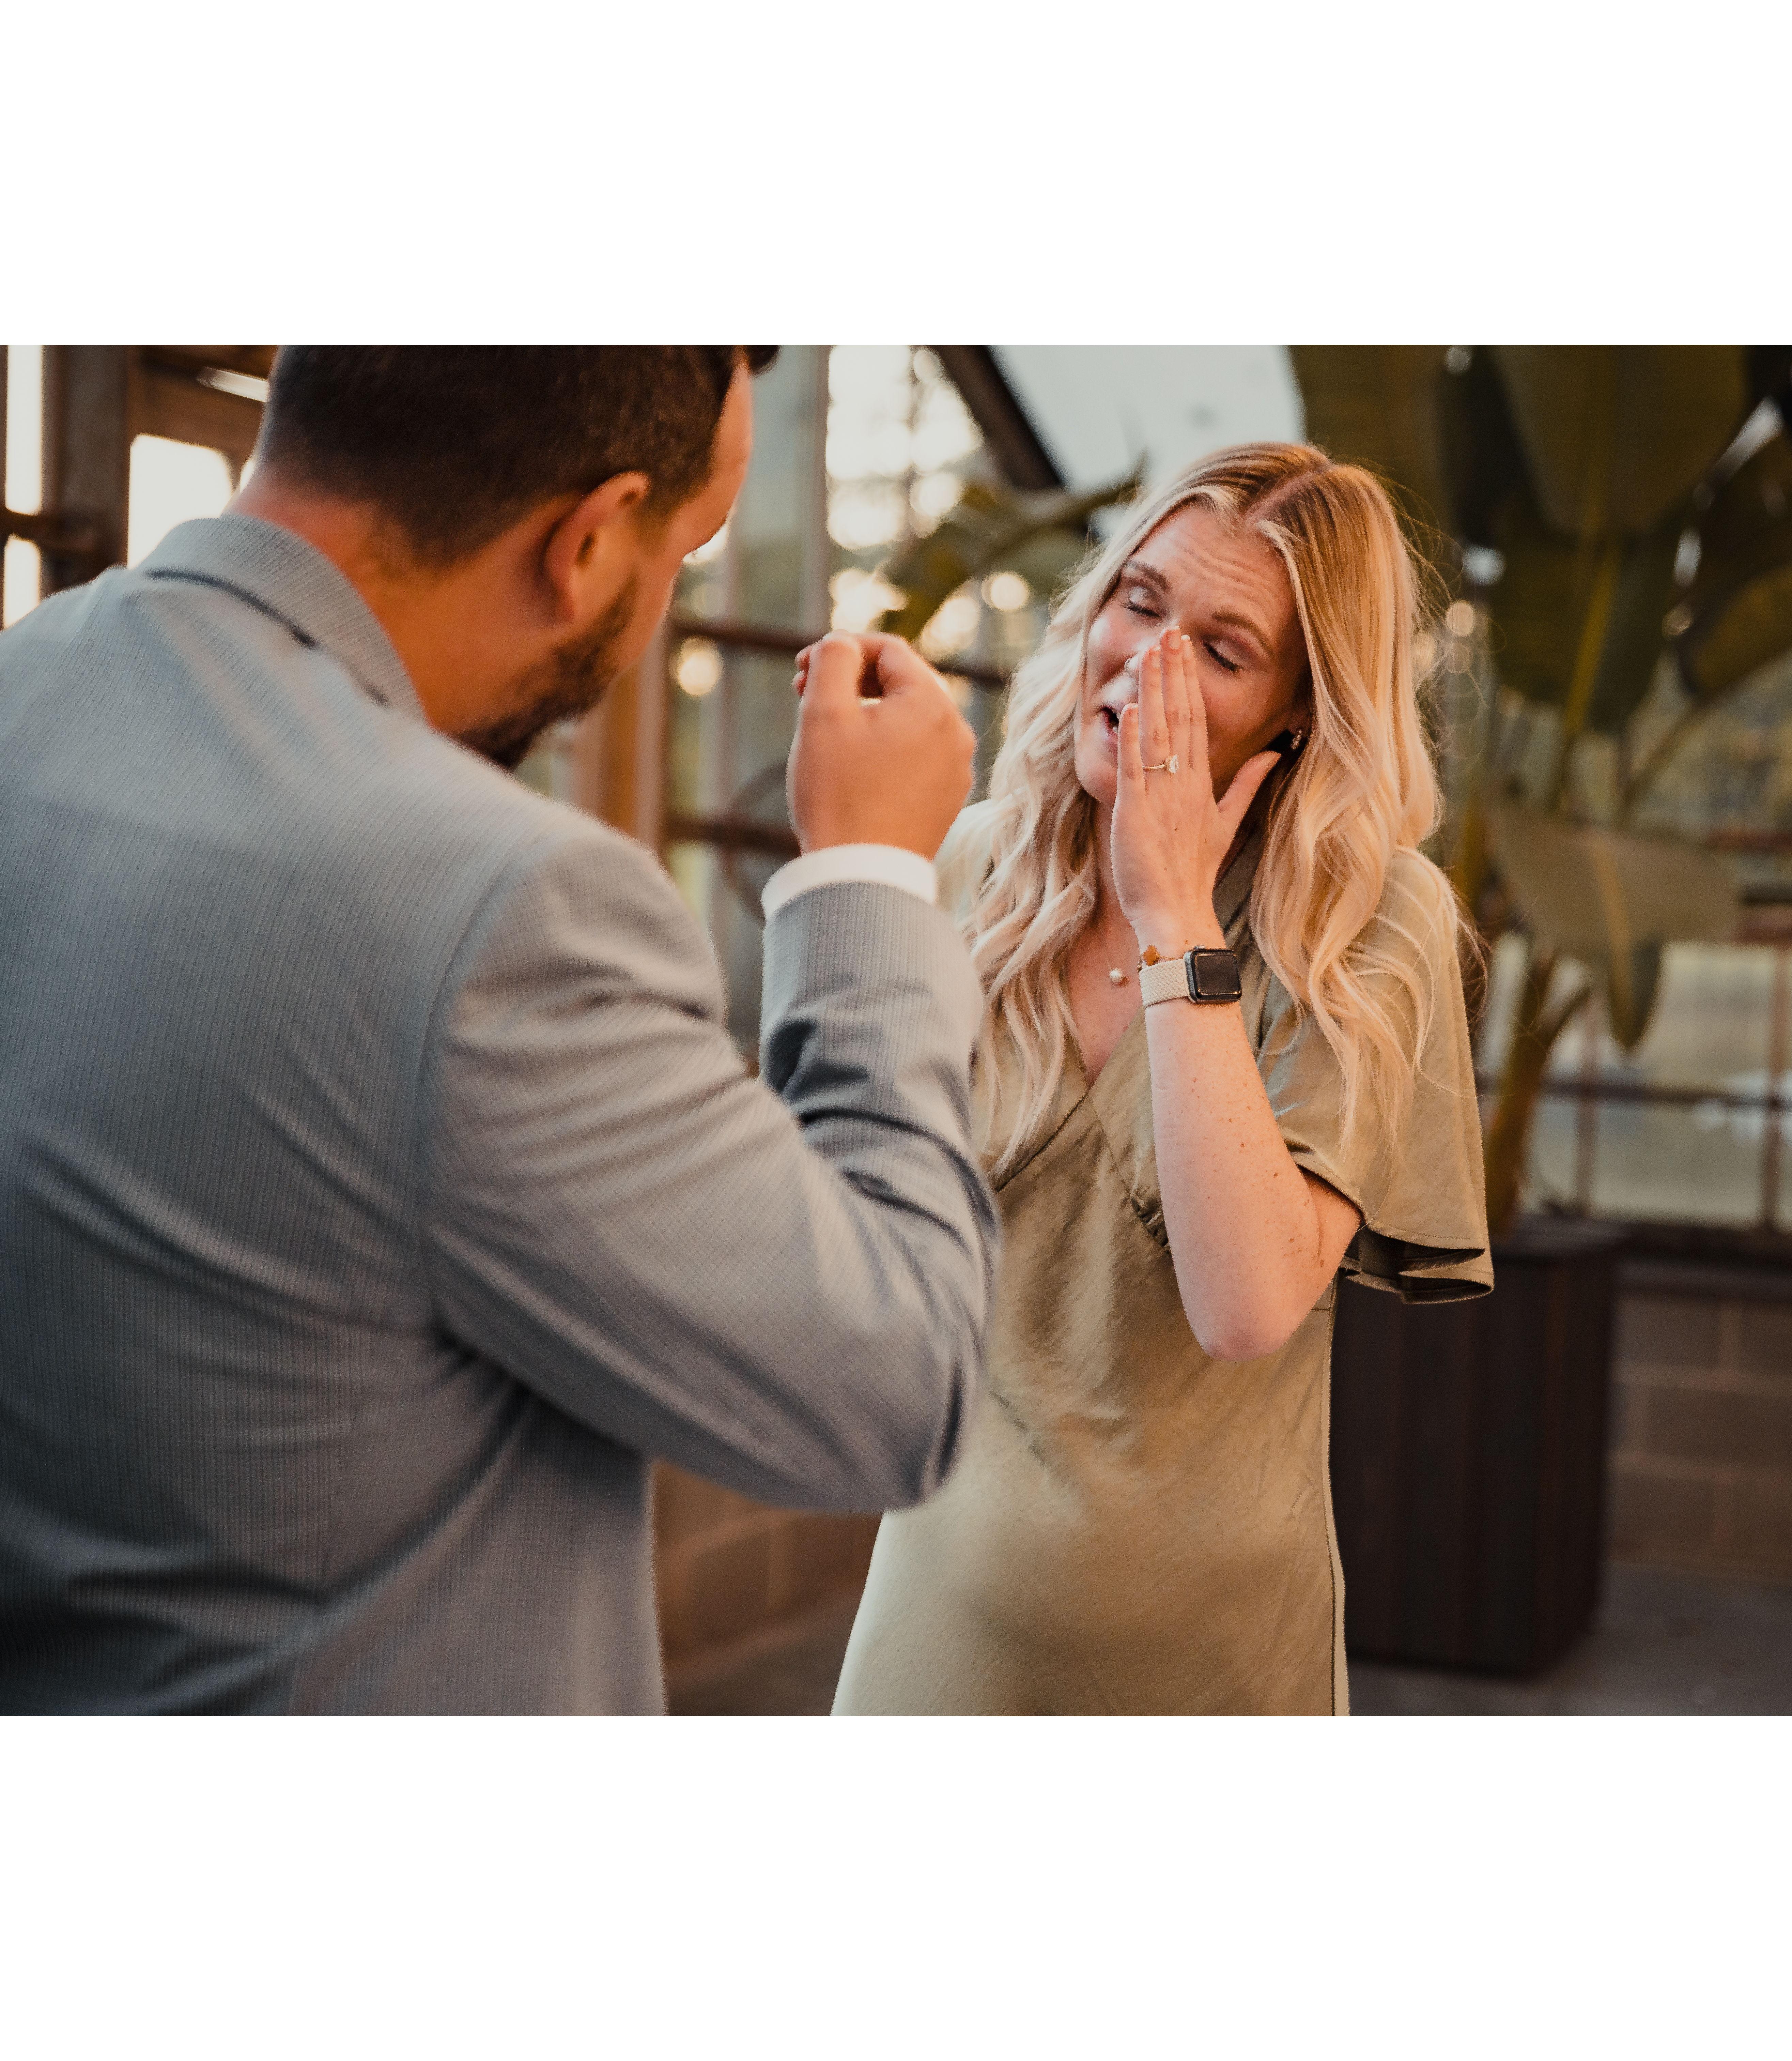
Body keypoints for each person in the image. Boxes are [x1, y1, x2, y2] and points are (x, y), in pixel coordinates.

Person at [0, 346, 997, 1714]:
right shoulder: (496, 908)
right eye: (682, 552)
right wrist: (870, 876)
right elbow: (894, 1385)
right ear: (588, 544)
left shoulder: (26, 686)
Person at [832, 443, 1492, 1716]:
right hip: (934, 1632)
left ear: (1299, 713)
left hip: (1216, 1673)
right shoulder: (975, 867)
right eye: (1139, 602)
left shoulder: (1366, 923)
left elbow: (1246, 1305)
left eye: (1223, 652)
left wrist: (1174, 912)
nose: (1149, 665)